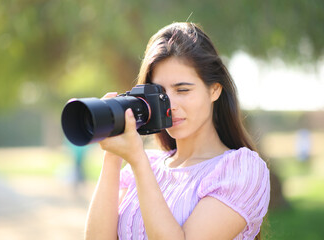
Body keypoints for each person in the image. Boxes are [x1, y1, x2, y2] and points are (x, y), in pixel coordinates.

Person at [84, 22, 270, 240]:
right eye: (159, 93)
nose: (169, 105)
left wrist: (137, 160)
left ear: (214, 90)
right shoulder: (147, 166)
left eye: (182, 90)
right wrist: (112, 155)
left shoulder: (241, 171)